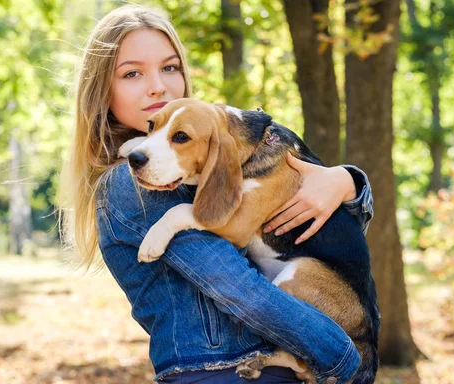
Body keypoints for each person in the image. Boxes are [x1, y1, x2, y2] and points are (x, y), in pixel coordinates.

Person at [61, 5, 374, 383]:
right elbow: (241, 290)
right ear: (101, 91)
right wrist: (343, 359)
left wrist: (348, 182)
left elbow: (330, 240)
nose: (157, 85)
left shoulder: (207, 150)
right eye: (132, 73)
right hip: (218, 373)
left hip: (269, 364)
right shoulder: (132, 185)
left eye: (170, 67)